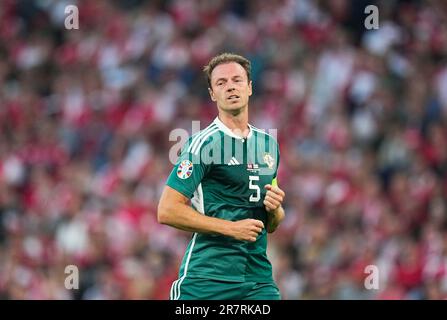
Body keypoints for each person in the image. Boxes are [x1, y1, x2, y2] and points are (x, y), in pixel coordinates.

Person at [158, 52, 286, 300]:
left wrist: (276, 210)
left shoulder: (268, 144)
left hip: (257, 281)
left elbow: (271, 224)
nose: (230, 87)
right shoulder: (204, 144)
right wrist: (230, 229)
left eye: (237, 80)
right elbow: (167, 210)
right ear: (212, 94)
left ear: (249, 87)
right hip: (207, 280)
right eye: (221, 83)